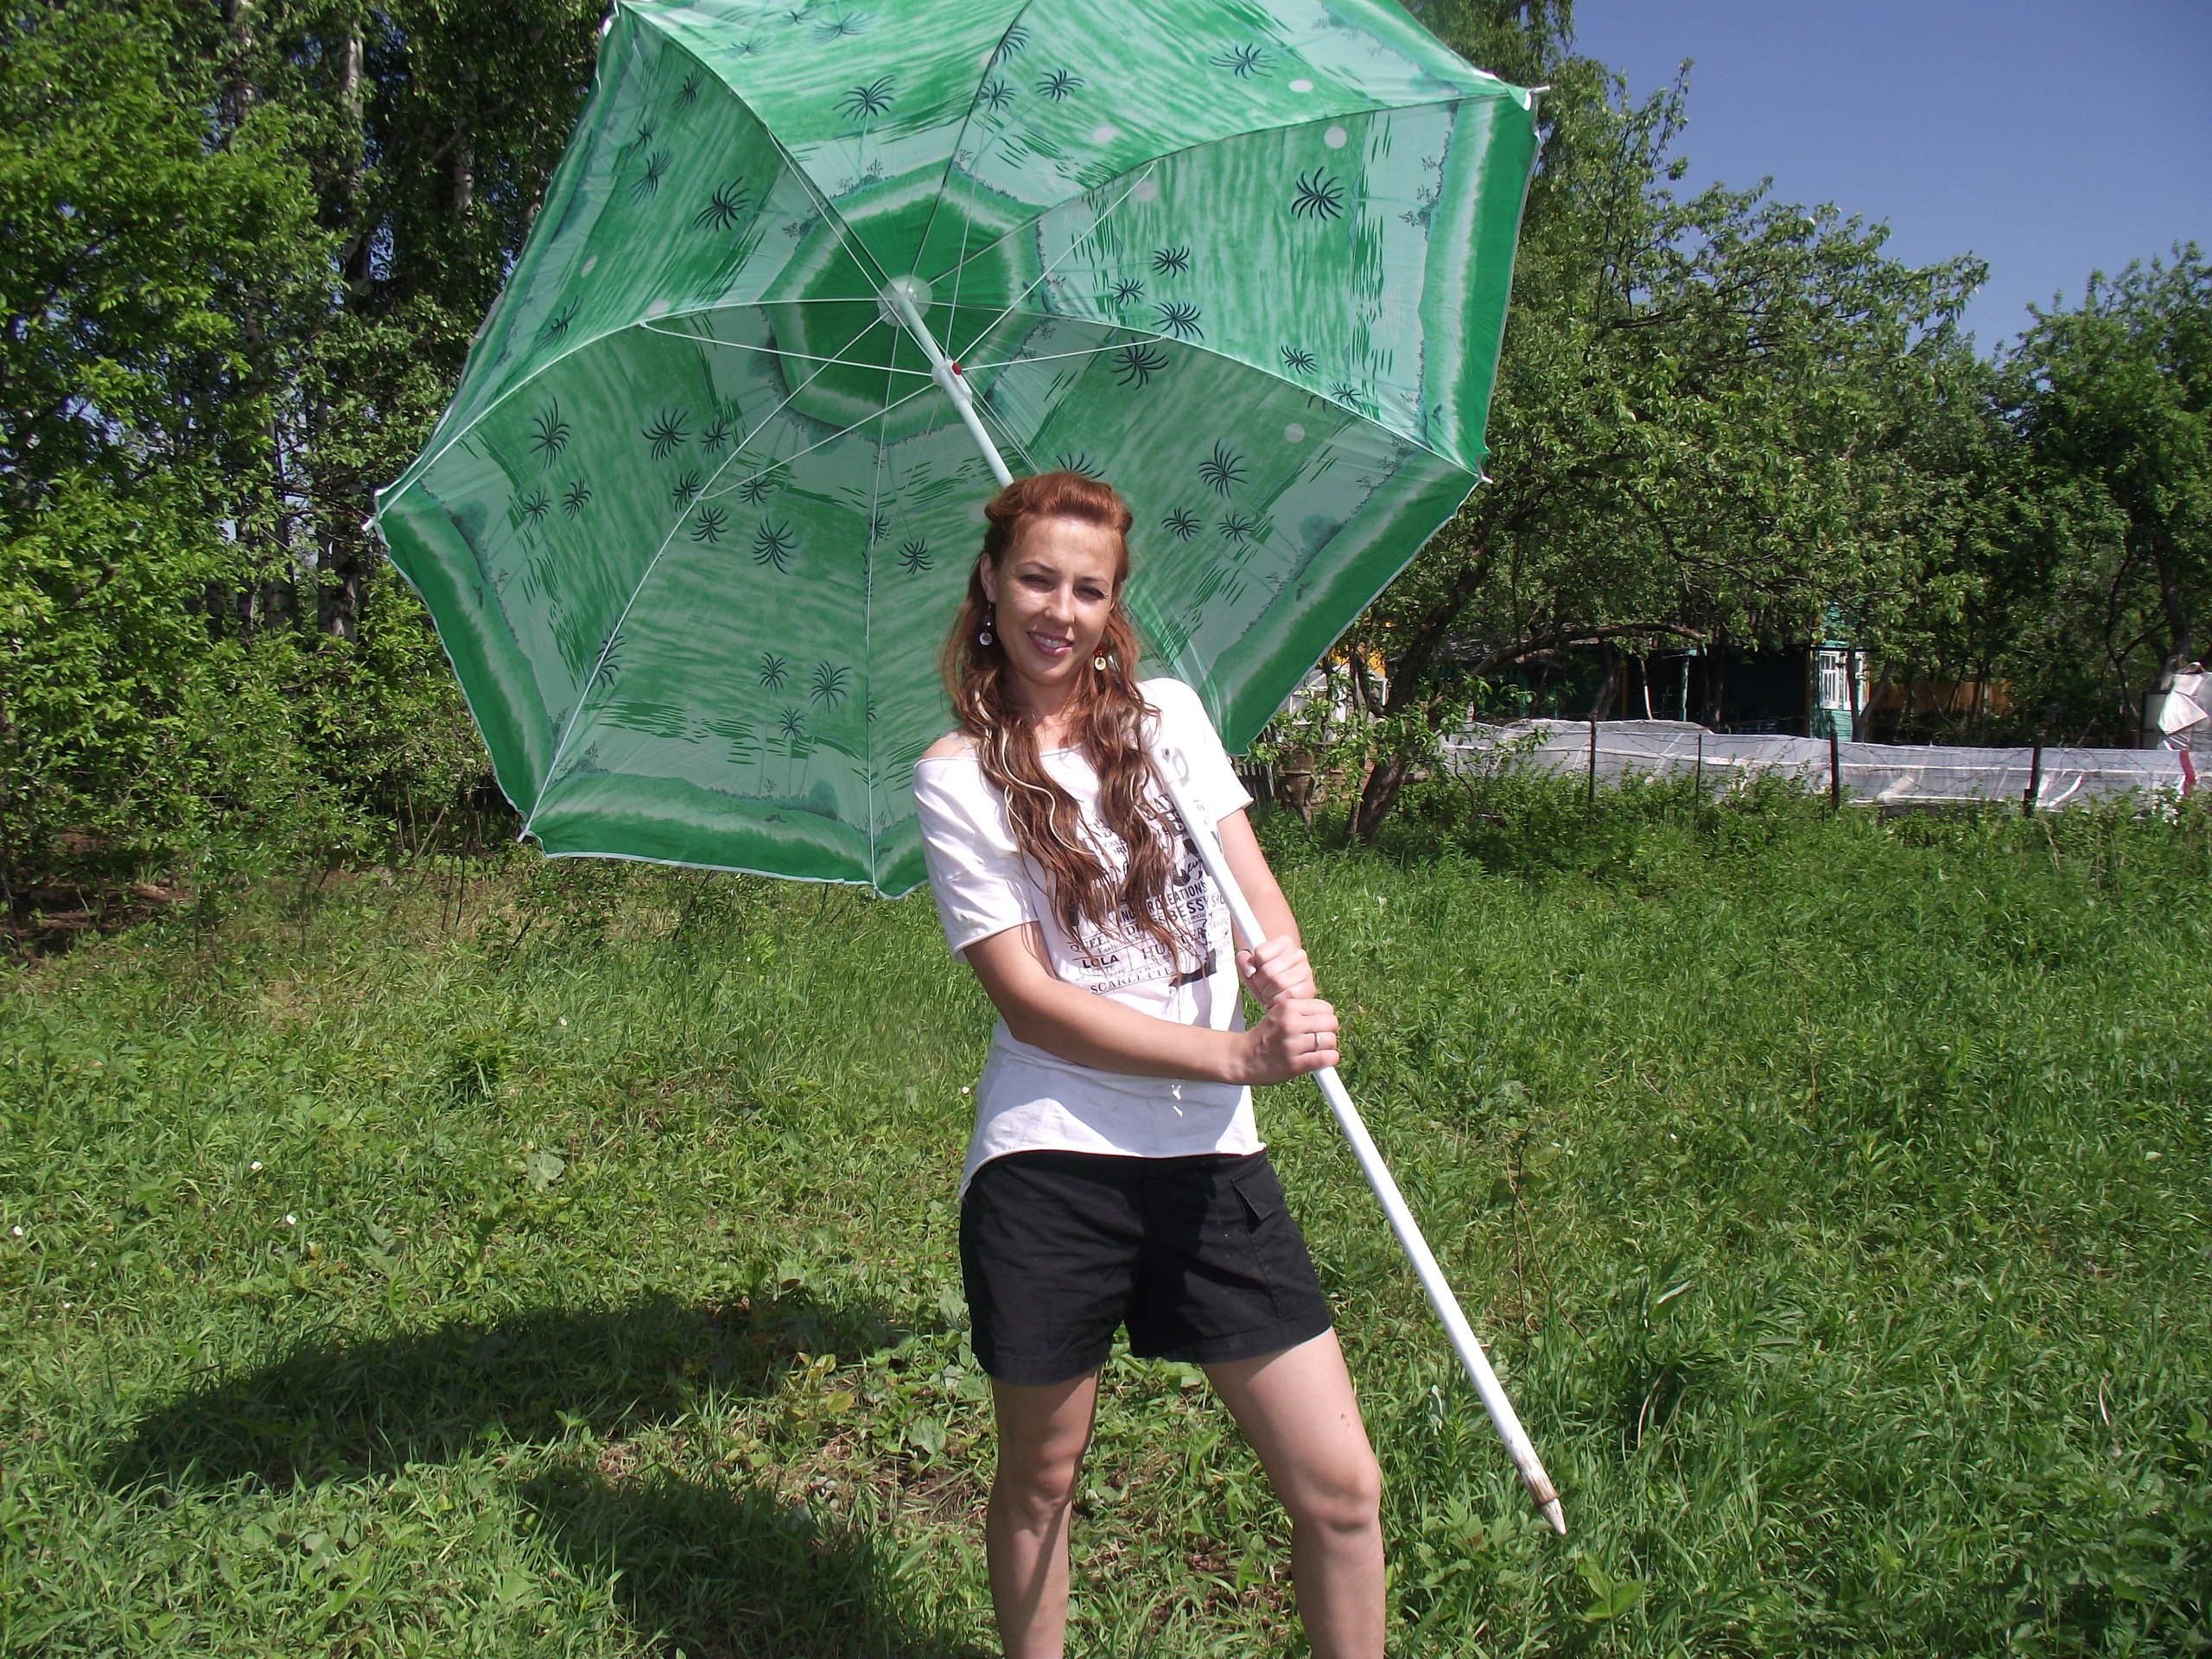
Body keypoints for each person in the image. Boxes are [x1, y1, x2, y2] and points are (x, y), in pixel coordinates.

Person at [912, 471, 1384, 1659]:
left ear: (1114, 601)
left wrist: (1282, 971)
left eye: (1088, 588)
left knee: (1342, 1488)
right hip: (1051, 1163)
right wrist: (1238, 1052)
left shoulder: (1167, 720)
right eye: (1036, 580)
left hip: (1209, 1158)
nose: (1059, 611)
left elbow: (1251, 888)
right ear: (990, 582)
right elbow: (1034, 1005)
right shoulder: (957, 775)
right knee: (1043, 1477)